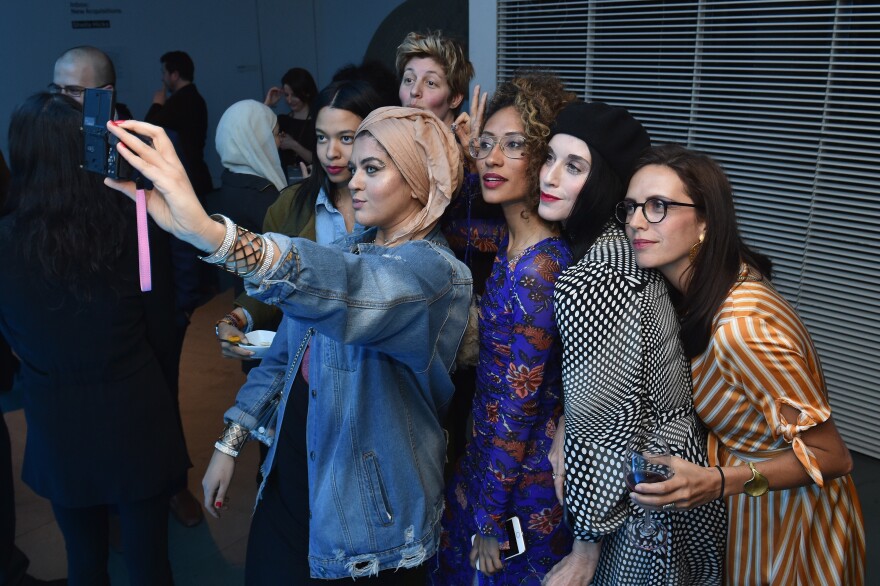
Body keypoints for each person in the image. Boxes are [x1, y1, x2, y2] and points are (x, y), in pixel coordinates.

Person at [104, 106, 472, 583]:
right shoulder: (351, 249)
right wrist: (230, 441)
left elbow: (355, 290)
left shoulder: (436, 276)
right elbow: (283, 358)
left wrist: (212, 234)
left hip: (368, 524)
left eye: (373, 168)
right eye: (355, 168)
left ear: (420, 180)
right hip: (294, 478)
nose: (354, 181)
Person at [623, 144, 865, 585]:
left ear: (705, 222)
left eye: (657, 206)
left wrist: (717, 481)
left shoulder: (740, 328)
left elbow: (834, 457)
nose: (636, 221)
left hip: (789, 516)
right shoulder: (706, 286)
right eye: (632, 206)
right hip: (749, 507)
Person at [0, 93, 188, 586]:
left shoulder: (6, 239)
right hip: (135, 406)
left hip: (56, 414)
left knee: (84, 560)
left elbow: (9, 331)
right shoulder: (134, 220)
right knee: (150, 562)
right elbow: (162, 327)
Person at [537, 103, 726, 585]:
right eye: (549, 158)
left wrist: (584, 548)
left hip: (646, 489)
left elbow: (604, 426)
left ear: (605, 182)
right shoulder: (620, 246)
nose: (550, 176)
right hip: (667, 467)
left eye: (574, 167)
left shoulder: (597, 276)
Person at [433, 72, 574, 584]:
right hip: (488, 458)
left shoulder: (541, 268)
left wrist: (490, 519)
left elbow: (520, 406)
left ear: (541, 161)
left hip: (521, 478)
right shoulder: (509, 245)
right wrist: (459, 144)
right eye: (486, 145)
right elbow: (454, 203)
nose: (491, 159)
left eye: (514, 146)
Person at [146, 50, 212, 197]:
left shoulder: (180, 102)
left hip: (188, 177)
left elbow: (148, 130)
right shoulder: (194, 98)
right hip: (196, 173)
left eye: (164, 73)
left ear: (174, 75)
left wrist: (156, 104)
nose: (162, 78)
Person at [50, 46, 132, 118]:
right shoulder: (46, 128)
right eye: (57, 88)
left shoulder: (130, 134)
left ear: (106, 93)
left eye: (74, 90)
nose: (60, 99)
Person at [264, 67, 317, 173]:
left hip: (312, 182)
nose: (289, 100)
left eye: (294, 95)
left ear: (306, 93)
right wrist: (267, 104)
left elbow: (321, 162)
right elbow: (254, 136)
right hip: (286, 183)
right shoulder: (281, 120)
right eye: (286, 95)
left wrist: (294, 145)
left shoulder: (318, 121)